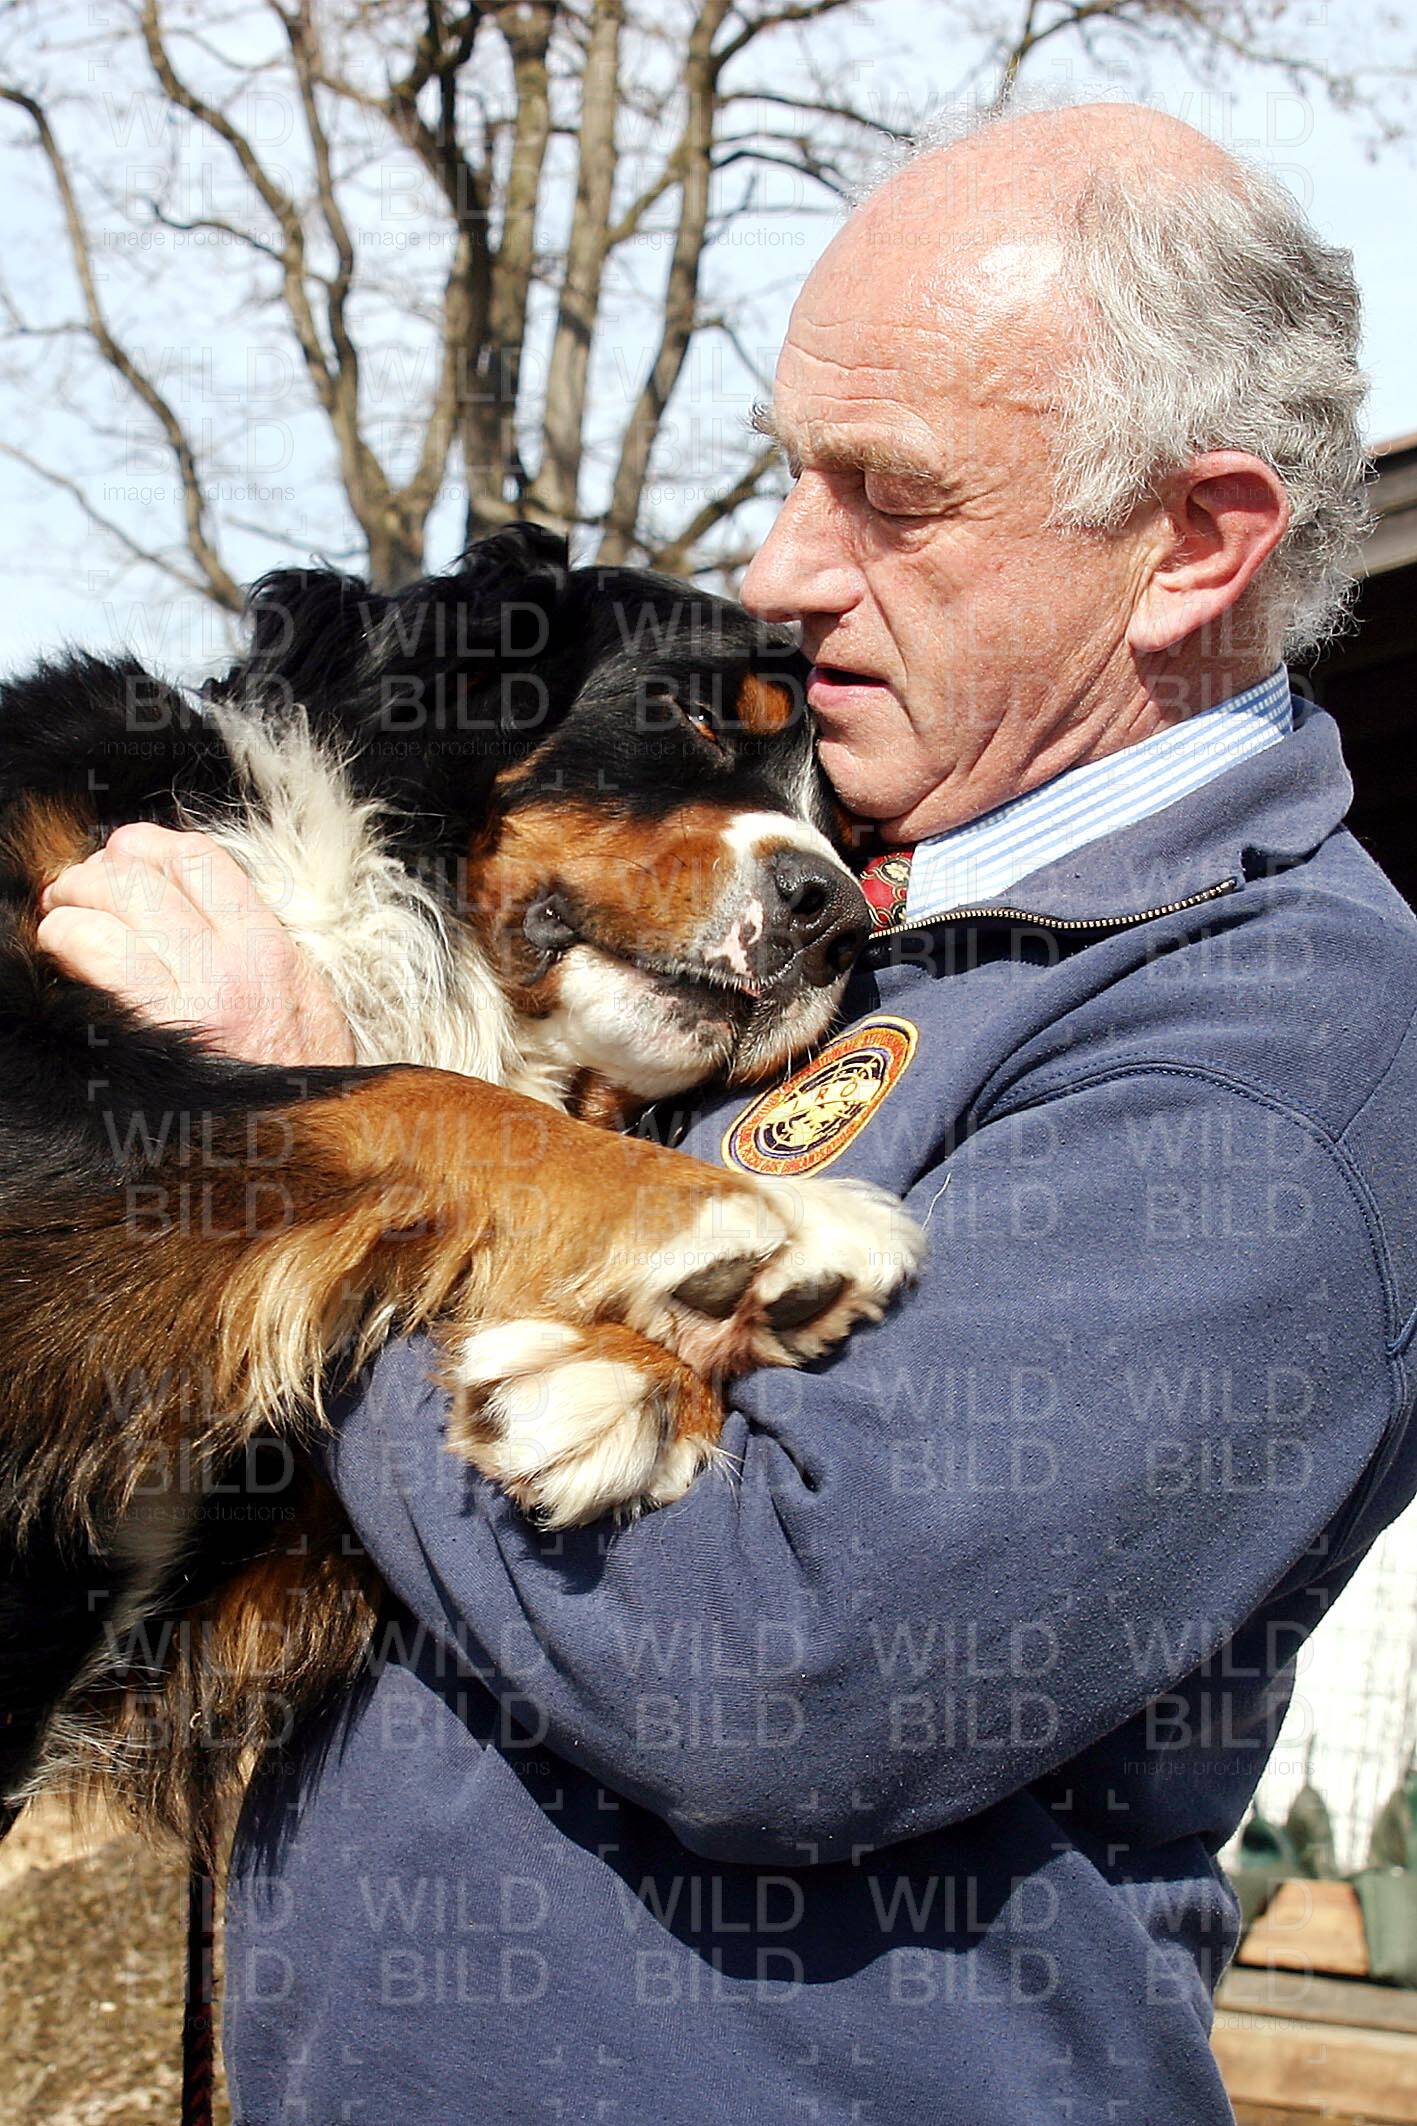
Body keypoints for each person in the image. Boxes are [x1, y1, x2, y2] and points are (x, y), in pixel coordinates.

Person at [37, 99, 1417, 2126]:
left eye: (890, 495)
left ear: (1193, 544)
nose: (781, 569)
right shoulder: (859, 918)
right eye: (789, 473)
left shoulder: (1263, 1042)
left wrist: (310, 1129)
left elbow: (782, 1664)